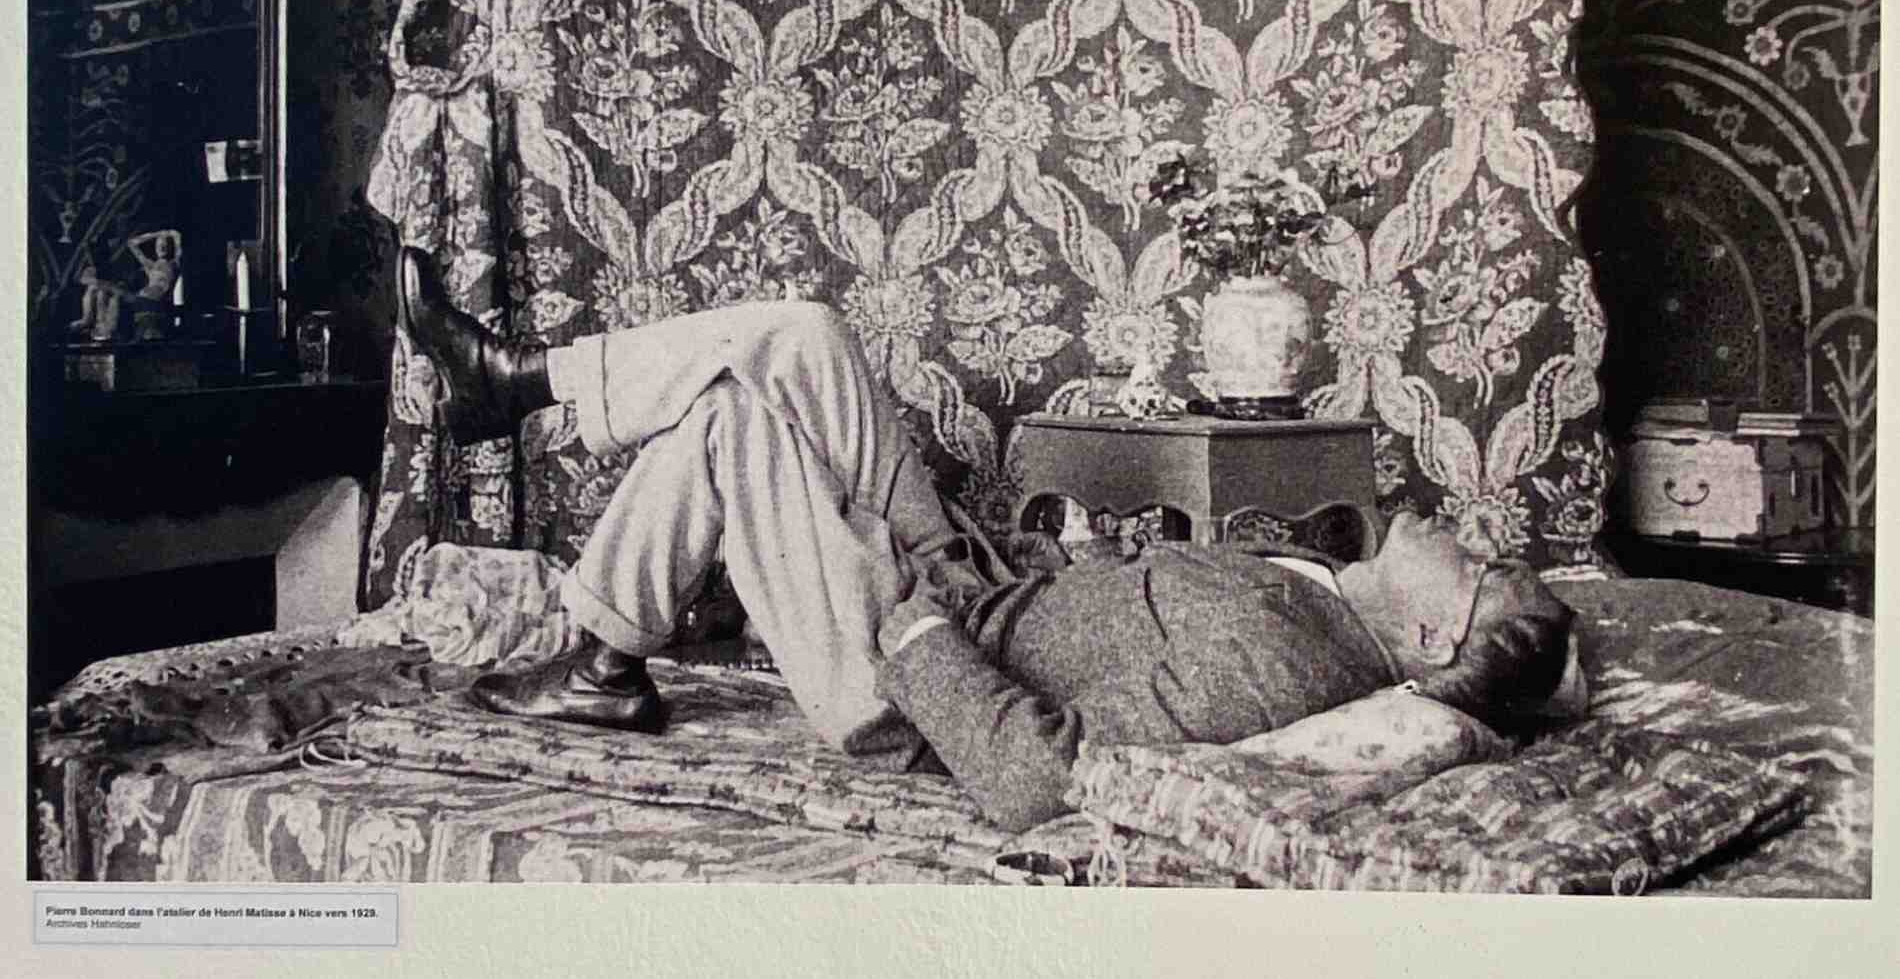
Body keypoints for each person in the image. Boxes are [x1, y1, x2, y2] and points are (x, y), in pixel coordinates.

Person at [398, 248, 1587, 832]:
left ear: (1434, 630)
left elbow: (1037, 777)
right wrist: (1032, 568)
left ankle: (603, 659)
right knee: (804, 334)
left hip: (903, 678)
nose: (1447, 526)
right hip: (975, 582)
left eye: (1475, 562)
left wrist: (916, 631)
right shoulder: (1311, 590)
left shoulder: (1290, 658)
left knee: (730, 424)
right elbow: (1105, 634)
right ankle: (524, 383)